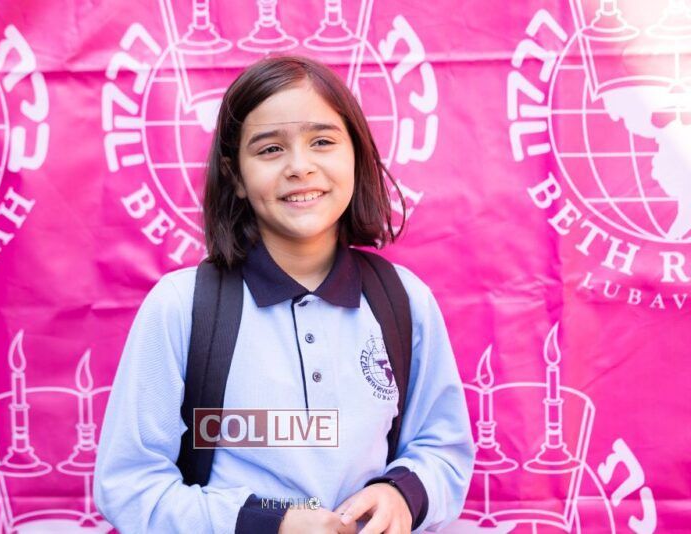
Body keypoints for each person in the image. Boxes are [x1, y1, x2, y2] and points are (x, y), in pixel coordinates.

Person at [94, 55, 474, 533]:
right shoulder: (181, 307)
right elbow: (130, 485)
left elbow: (442, 449)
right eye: (270, 149)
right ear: (235, 176)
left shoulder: (404, 300)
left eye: (322, 142)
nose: (300, 167)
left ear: (356, 155)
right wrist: (267, 524)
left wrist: (400, 494)